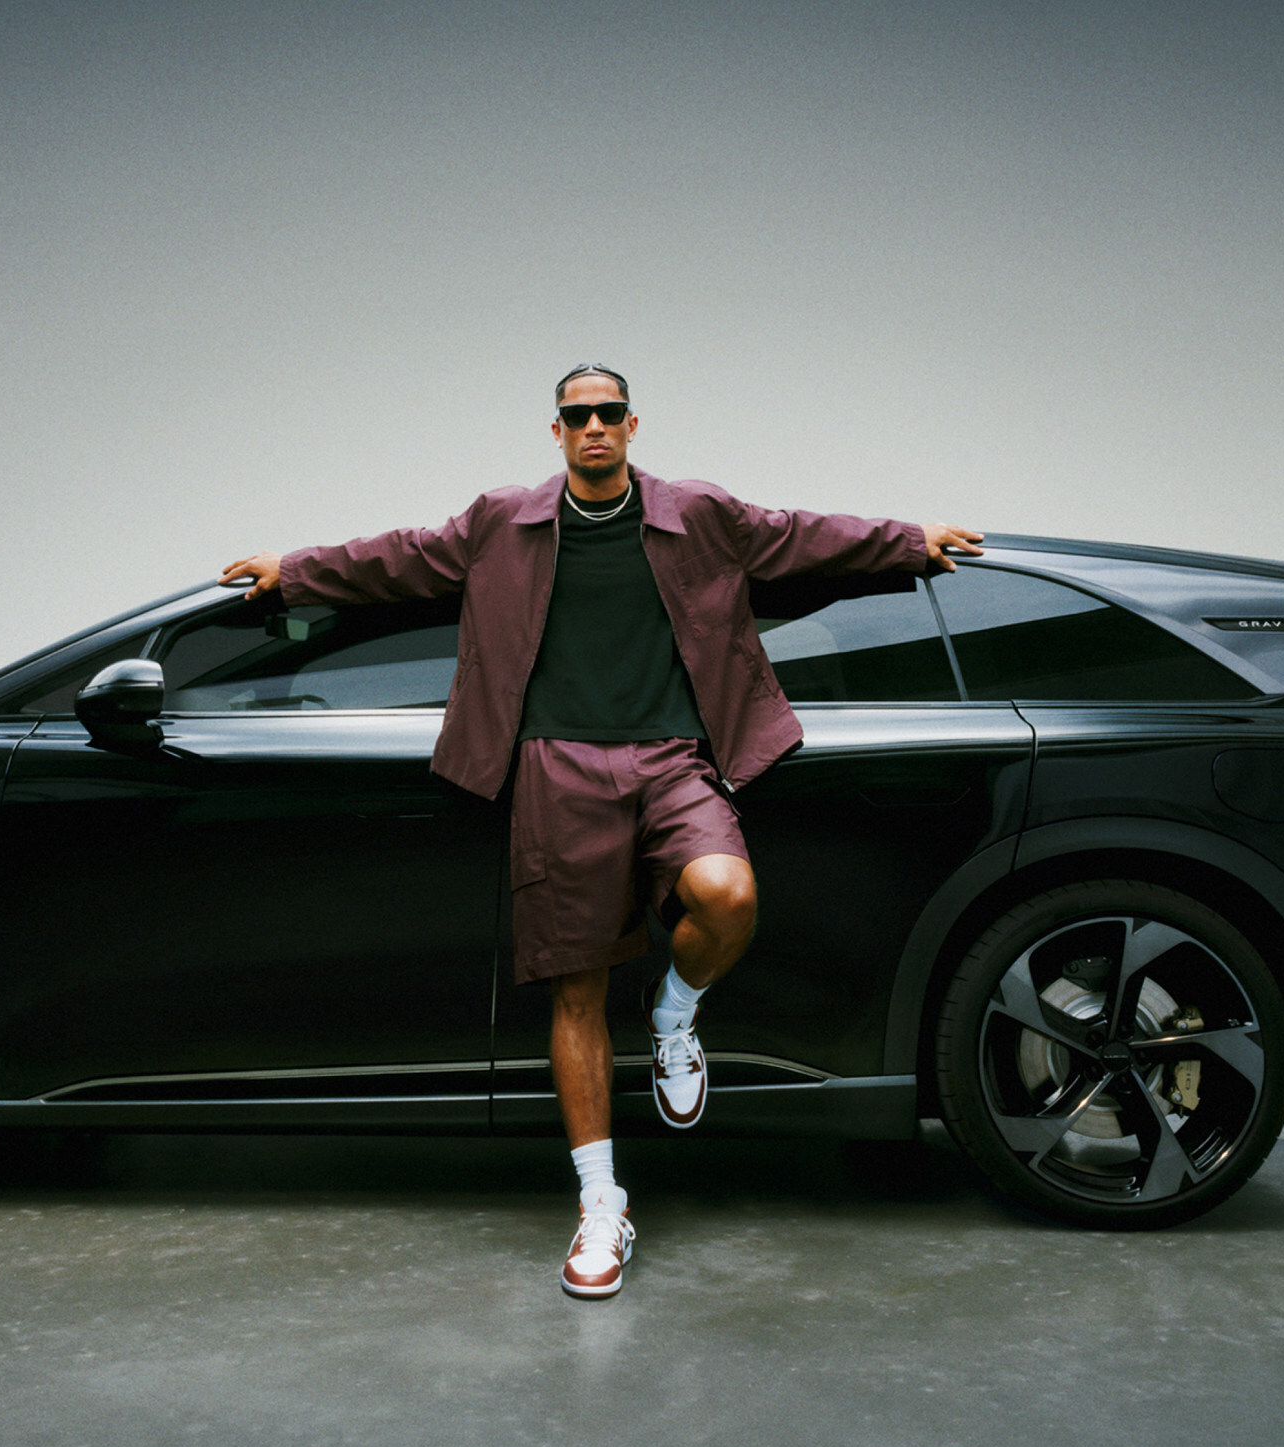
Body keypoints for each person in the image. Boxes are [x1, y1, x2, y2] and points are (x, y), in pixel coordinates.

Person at [218, 365, 982, 1297]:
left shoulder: (695, 513)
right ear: (556, 432)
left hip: (671, 758)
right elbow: (398, 558)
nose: (593, 428)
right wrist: (292, 571)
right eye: (576, 416)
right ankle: (600, 1204)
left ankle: (674, 1016)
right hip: (556, 766)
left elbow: (800, 538)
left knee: (728, 896)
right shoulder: (502, 520)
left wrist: (911, 539)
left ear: (631, 424)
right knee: (574, 991)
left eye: (607, 414)